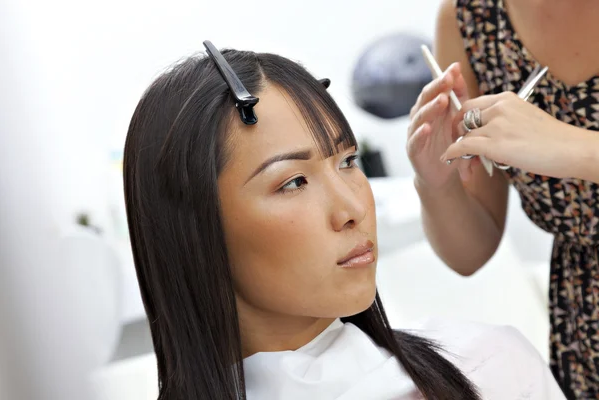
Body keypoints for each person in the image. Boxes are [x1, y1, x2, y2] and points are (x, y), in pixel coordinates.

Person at [123, 41, 564, 399]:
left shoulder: (493, 367)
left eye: (348, 161)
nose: (351, 210)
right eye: (293, 182)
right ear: (194, 228)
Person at [406, 0, 599, 398]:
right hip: (584, 324)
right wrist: (436, 182)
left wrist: (574, 148)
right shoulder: (473, 18)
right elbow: (470, 254)